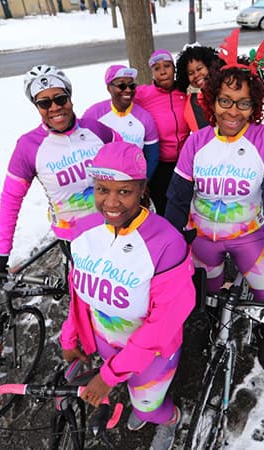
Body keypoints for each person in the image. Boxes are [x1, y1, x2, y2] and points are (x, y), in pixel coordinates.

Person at [165, 24, 264, 371]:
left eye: (243, 104)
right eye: (224, 101)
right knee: (208, 297)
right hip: (204, 238)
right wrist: (167, 254)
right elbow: (176, 201)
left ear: (255, 106)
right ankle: (210, 329)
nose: (232, 112)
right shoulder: (197, 142)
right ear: (212, 100)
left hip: (249, 238)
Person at [60, 141, 195, 450]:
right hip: (107, 344)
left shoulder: (166, 243)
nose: (112, 202)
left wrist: (109, 376)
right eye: (102, 189)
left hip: (154, 355)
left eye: (124, 191)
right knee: (131, 392)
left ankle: (170, 419)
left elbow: (163, 324)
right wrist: (71, 336)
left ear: (143, 190)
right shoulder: (83, 230)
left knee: (149, 406)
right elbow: (79, 292)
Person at [0, 65, 117, 273]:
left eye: (60, 99)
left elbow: (130, 163)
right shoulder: (28, 146)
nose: (54, 107)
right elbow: (10, 199)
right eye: (44, 103)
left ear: (70, 98)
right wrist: (2, 251)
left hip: (116, 227)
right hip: (75, 240)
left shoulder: (96, 129)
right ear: (36, 106)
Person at [134, 49, 189, 215]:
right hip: (159, 165)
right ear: (152, 73)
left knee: (185, 207)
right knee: (163, 208)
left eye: (167, 66)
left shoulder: (185, 91)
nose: (163, 71)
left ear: (174, 69)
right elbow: (118, 100)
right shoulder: (144, 94)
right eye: (157, 68)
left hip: (185, 163)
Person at [82, 64, 159, 179]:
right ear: (109, 88)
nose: (128, 90)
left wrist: (142, 183)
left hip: (133, 184)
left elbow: (152, 156)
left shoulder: (144, 118)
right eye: (122, 86)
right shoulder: (93, 115)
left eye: (132, 86)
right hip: (102, 184)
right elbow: (81, 149)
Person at [175, 44, 224, 132]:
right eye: (191, 73)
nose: (196, 75)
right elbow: (200, 133)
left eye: (199, 68)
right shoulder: (193, 103)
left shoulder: (224, 87)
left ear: (209, 66)